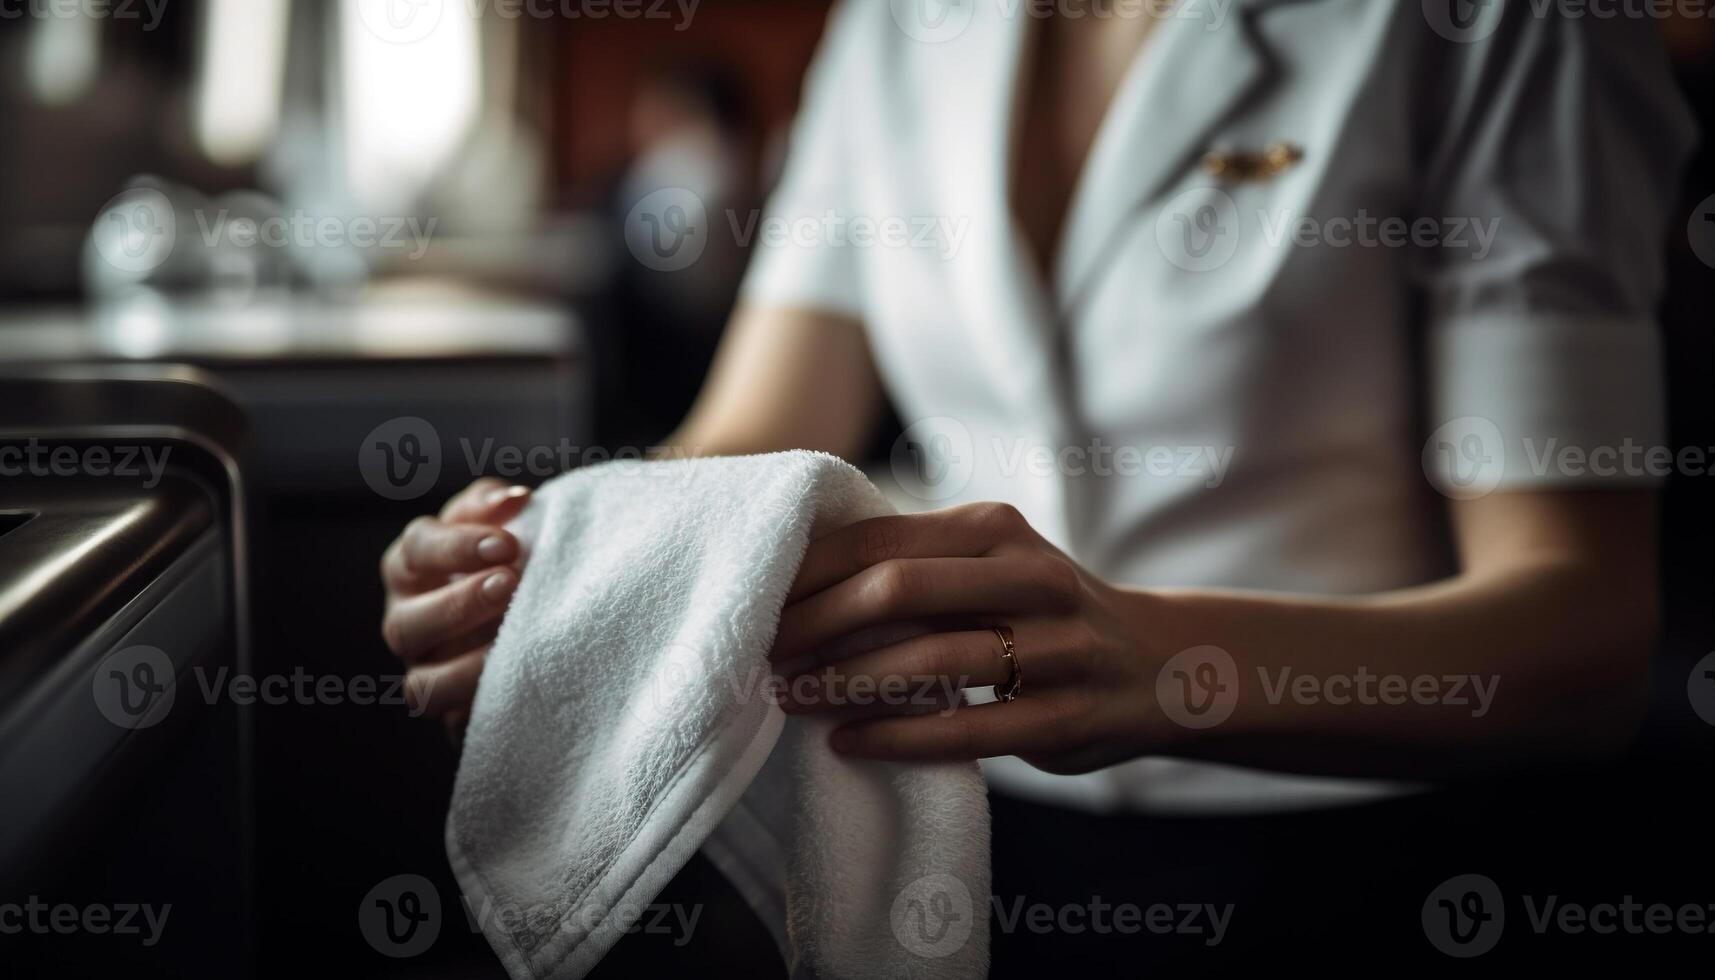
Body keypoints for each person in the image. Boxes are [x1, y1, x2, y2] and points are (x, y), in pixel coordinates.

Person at [379, 1, 1694, 971]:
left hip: (1353, 868)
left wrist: (1163, 659)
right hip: (963, 848)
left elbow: (1587, 634)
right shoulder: (898, 31)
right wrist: (554, 559)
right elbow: (757, 438)